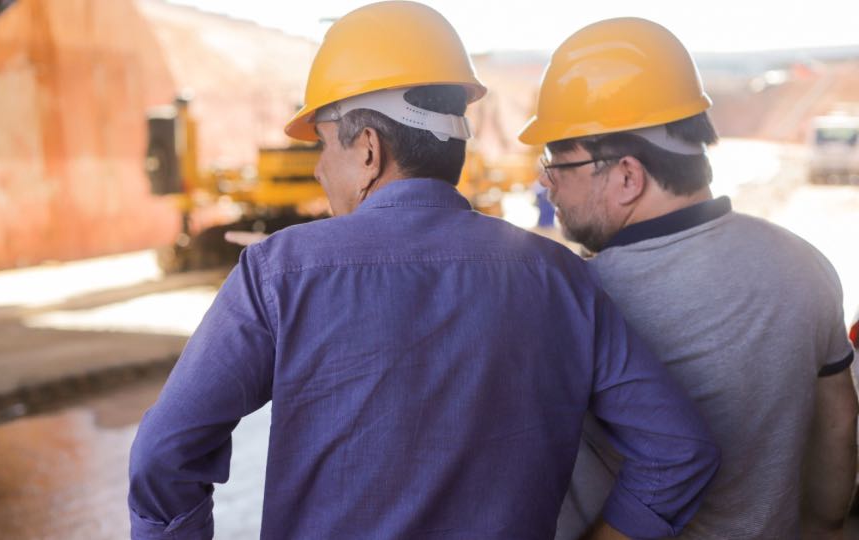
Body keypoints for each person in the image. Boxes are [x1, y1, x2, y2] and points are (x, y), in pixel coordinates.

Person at [128, 4, 720, 539]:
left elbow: (164, 456)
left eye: (323, 147)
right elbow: (678, 452)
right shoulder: (559, 277)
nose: (318, 172)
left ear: (367, 149)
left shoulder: (280, 271)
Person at [517, 17, 859, 539]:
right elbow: (838, 423)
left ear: (628, 176)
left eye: (557, 162)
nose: (545, 182)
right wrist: (824, 525)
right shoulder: (804, 262)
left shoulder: (582, 296)